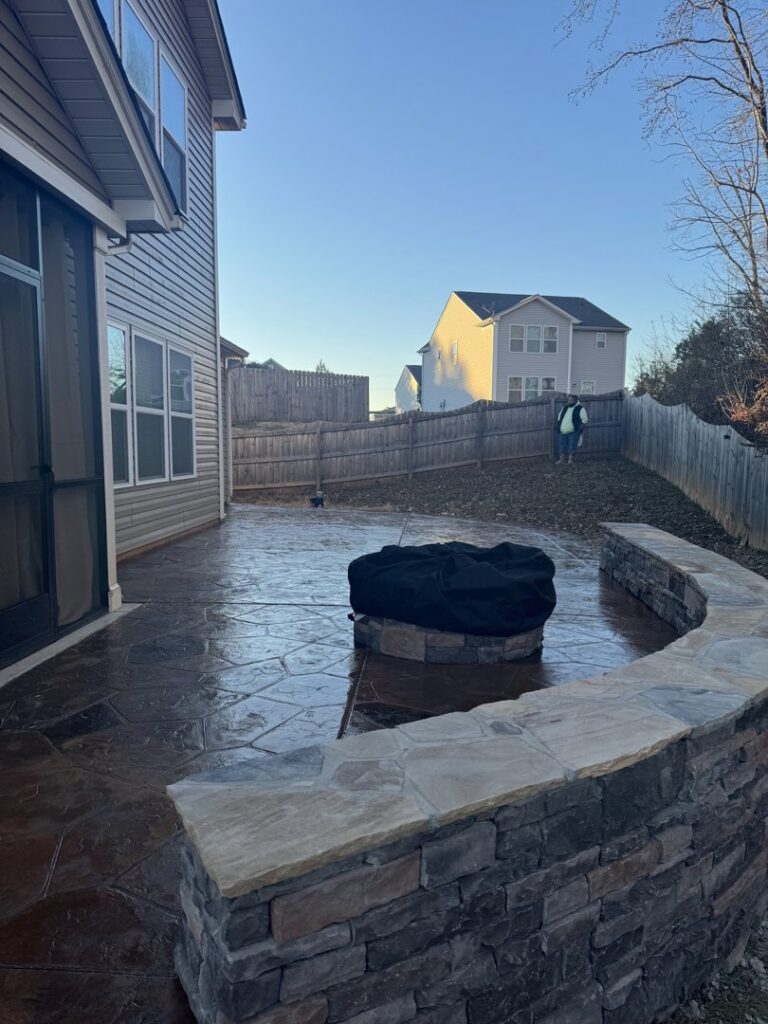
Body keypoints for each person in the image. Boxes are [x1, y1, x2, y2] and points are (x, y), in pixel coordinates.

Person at [556, 394, 588, 464]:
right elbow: (559, 417)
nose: (569, 401)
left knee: (572, 445)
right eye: (569, 400)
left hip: (574, 431)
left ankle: (570, 460)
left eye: (571, 400)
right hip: (562, 430)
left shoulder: (580, 408)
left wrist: (579, 429)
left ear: (575, 400)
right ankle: (561, 459)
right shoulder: (565, 407)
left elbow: (585, 419)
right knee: (562, 445)